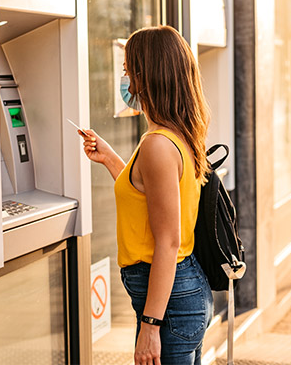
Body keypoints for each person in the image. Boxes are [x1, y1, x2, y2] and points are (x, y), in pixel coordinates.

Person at [80, 26, 214, 365]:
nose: (124, 79)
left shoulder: (157, 145)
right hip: (179, 292)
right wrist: (111, 159)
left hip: (170, 301)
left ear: (146, 76)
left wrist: (150, 326)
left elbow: (167, 241)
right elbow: (145, 196)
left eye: (127, 71)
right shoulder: (175, 135)